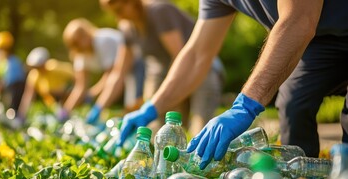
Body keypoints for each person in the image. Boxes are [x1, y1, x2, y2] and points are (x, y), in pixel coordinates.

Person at [118, 0, 348, 169]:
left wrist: (245, 105)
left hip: (308, 28)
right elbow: (198, 53)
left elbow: (299, 20)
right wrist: (152, 107)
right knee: (293, 105)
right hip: (317, 43)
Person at [98, 0, 225, 135]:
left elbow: (179, 55)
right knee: (158, 130)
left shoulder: (159, 12)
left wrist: (168, 96)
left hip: (200, 70)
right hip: (164, 75)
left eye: (119, 10)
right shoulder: (127, 28)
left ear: (132, 2)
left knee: (199, 128)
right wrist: (99, 107)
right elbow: (119, 72)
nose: (118, 16)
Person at [63, 18, 145, 123]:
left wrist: (97, 104)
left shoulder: (103, 41)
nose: (82, 42)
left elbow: (112, 75)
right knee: (130, 107)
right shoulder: (81, 56)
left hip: (137, 65)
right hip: (120, 75)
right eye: (76, 41)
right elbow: (80, 86)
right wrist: (66, 110)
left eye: (82, 35)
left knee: (135, 105)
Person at [16, 47, 75, 123]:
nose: (38, 69)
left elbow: (76, 76)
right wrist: (22, 114)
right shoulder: (34, 76)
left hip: (67, 100)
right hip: (53, 106)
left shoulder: (54, 67)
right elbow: (28, 96)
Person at [0, 31, 26, 113]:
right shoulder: (4, 63)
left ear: (4, 49)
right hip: (10, 90)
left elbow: (8, 81)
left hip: (15, 90)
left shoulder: (13, 62)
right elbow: (0, 80)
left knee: (11, 107)